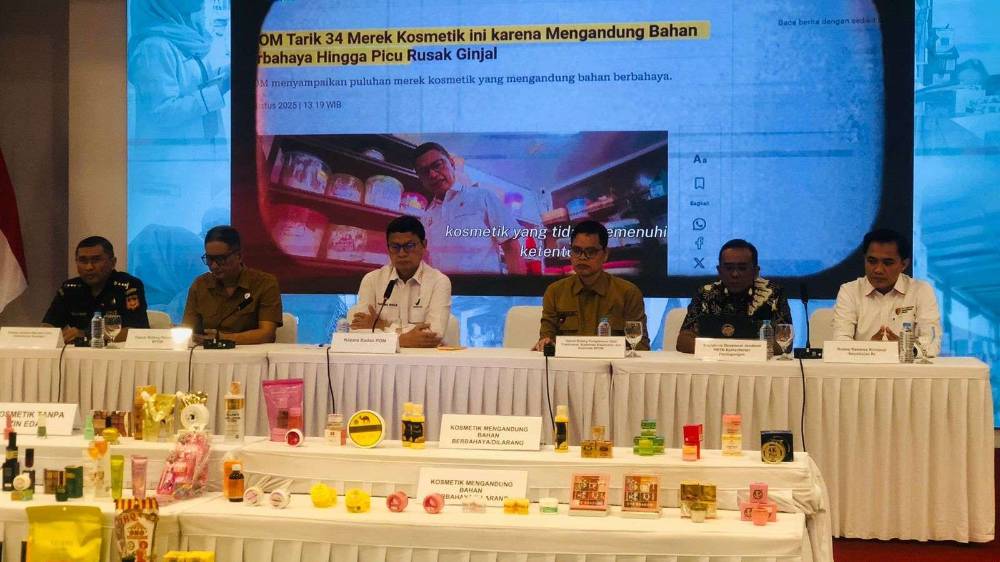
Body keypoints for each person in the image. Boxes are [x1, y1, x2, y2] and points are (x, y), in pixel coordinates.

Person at [533, 220, 649, 350]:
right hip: (568, 363)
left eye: (591, 251)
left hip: (612, 363)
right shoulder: (555, 292)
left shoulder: (628, 293)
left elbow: (640, 346)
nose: (582, 257)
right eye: (577, 250)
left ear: (605, 254)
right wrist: (545, 343)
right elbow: (546, 340)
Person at [416, 142, 527, 275]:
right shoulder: (425, 218)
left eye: (437, 165)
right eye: (424, 172)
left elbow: (511, 247)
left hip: (484, 288)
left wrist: (516, 288)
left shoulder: (483, 197)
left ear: (451, 163)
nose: (432, 175)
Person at [127, 0, 230, 141]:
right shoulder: (153, 47)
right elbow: (162, 112)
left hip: (200, 147)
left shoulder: (184, 36)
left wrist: (224, 74)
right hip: (174, 152)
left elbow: (191, 82)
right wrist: (218, 90)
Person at [833, 228, 942, 355]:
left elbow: (932, 341)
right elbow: (840, 342)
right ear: (864, 260)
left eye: (888, 263)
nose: (878, 270)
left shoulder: (921, 291)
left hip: (906, 367)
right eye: (872, 261)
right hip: (863, 366)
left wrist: (904, 348)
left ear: (904, 264)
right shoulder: (849, 291)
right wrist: (869, 349)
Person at [351, 215, 452, 348]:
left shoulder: (439, 282)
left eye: (409, 246)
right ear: (388, 248)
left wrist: (382, 325)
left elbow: (433, 335)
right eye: (395, 246)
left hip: (424, 358)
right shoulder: (371, 280)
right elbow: (359, 333)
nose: (402, 253)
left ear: (424, 245)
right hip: (382, 359)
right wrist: (404, 339)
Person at [676, 239, 791, 354]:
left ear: (755, 271)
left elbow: (785, 342)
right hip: (713, 363)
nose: (735, 274)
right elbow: (683, 341)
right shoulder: (705, 293)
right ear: (719, 271)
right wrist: (728, 350)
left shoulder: (773, 293)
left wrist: (733, 350)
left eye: (742, 268)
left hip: (757, 364)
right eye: (729, 268)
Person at [182, 225, 282, 344]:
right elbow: (188, 331)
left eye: (220, 259)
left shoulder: (265, 283)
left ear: (239, 256)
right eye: (209, 259)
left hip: (250, 354)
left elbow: (267, 335)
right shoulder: (200, 285)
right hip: (209, 354)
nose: (214, 266)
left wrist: (222, 338)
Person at [42, 236, 150, 344]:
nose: (89, 267)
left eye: (96, 260)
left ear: (113, 262)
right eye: (83, 261)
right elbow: (48, 326)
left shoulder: (128, 285)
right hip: (77, 352)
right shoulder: (69, 288)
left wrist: (87, 335)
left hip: (116, 352)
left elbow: (136, 332)